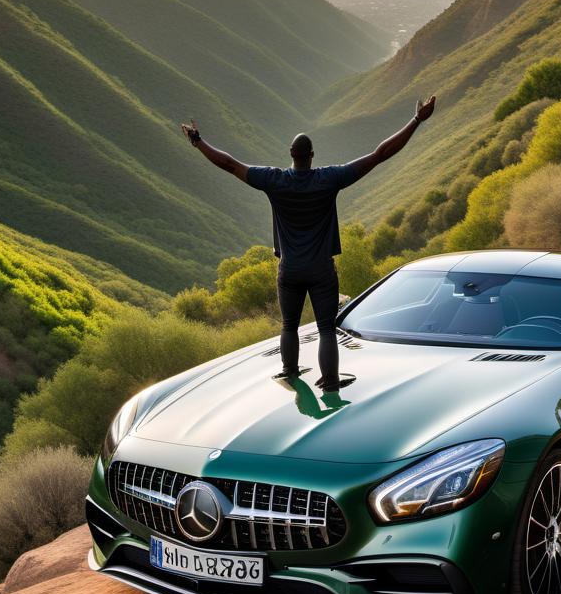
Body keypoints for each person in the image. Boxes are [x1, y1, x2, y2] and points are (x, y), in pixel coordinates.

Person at [181, 96, 436, 392]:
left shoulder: (273, 181)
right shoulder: (329, 179)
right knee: (326, 329)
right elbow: (379, 154)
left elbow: (228, 164)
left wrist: (197, 141)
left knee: (289, 325)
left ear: (291, 153)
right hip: (321, 270)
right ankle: (330, 383)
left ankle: (290, 373)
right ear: (312, 155)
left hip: (289, 269)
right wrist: (417, 120)